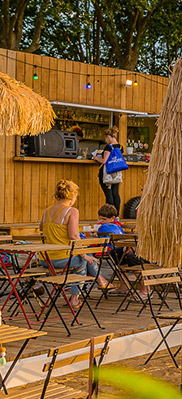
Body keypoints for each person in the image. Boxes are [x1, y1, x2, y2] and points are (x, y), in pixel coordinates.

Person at [39, 180, 107, 308]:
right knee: (83, 261)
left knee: (84, 253)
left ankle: (101, 280)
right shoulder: (71, 211)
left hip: (45, 259)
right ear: (73, 196)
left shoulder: (46, 211)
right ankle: (75, 298)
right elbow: (74, 236)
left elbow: (41, 230)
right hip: (60, 259)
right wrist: (84, 255)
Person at [92, 126, 122, 212]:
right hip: (116, 172)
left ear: (108, 137)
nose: (106, 140)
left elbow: (104, 161)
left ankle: (109, 214)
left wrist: (96, 158)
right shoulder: (120, 147)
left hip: (107, 173)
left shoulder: (108, 147)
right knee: (115, 193)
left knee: (108, 194)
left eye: (105, 138)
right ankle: (116, 215)